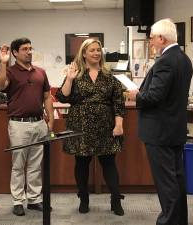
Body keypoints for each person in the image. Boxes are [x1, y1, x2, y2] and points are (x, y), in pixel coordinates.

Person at [128, 18, 193, 225]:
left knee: (166, 183)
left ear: (161, 38)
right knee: (176, 179)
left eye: (152, 39)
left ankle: (168, 221)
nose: (151, 43)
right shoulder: (184, 59)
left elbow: (154, 97)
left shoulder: (165, 61)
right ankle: (179, 220)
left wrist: (135, 95)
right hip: (174, 130)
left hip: (160, 132)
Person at [55, 39, 125, 215]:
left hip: (105, 126)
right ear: (84, 53)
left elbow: (118, 103)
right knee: (82, 164)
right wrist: (69, 79)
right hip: (80, 125)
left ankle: (116, 200)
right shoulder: (76, 74)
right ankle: (83, 199)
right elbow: (63, 98)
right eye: (92, 50)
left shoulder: (109, 76)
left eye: (98, 50)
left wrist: (119, 124)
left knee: (109, 164)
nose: (96, 53)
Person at [0, 38, 54, 216]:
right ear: (15, 52)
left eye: (30, 48)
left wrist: (50, 121)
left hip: (39, 123)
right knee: (18, 165)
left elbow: (47, 97)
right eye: (24, 49)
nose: (29, 51)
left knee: (36, 164)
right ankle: (18, 201)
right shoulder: (10, 72)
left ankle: (35, 199)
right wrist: (3, 64)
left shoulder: (40, 72)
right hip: (18, 125)